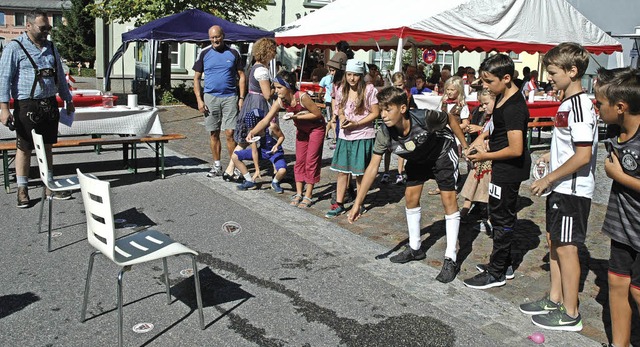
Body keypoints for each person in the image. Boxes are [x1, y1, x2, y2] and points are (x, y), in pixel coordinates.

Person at [347, 86, 468, 283]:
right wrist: (357, 203)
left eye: (388, 109)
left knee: (448, 200)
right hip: (418, 157)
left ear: (403, 108)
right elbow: (372, 168)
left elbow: (450, 119)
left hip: (442, 152)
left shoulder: (424, 117)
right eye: (382, 109)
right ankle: (415, 248)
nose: (383, 115)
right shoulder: (384, 133)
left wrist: (465, 144)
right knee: (411, 198)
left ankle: (451, 258)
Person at [518, 42, 598, 332]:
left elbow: (583, 155)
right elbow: (570, 147)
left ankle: (570, 311)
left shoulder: (578, 106)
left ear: (572, 71)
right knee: (555, 241)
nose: (548, 76)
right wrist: (549, 155)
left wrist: (549, 178)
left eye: (552, 72)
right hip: (561, 189)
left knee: (566, 248)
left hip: (571, 191)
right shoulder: (568, 102)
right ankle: (554, 299)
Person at [463, 53, 531, 289]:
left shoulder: (514, 107)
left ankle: (497, 272)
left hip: (508, 170)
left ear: (506, 78)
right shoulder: (502, 97)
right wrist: (479, 140)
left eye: (489, 81)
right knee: (499, 215)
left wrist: (485, 156)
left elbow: (516, 148)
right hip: (501, 167)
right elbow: (492, 127)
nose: (485, 85)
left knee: (502, 219)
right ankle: (504, 262)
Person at [0, 9, 75, 208]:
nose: (47, 32)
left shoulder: (51, 46)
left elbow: (59, 75)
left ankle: (49, 185)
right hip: (27, 104)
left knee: (48, 146)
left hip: (49, 103)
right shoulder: (14, 48)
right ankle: (22, 189)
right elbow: (4, 80)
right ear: (29, 26)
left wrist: (68, 99)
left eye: (48, 28)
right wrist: (4, 109)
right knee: (24, 148)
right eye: (43, 28)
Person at [595, 66, 640, 347]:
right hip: (622, 228)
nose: (597, 108)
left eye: (601, 103)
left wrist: (619, 177)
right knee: (617, 285)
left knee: (637, 291)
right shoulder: (617, 132)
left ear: (620, 106)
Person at [248, 71, 325, 208]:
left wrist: (297, 117)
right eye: (275, 87)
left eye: (279, 87)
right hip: (302, 130)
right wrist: (252, 132)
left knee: (311, 160)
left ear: (288, 86)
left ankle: (309, 195)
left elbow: (318, 114)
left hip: (316, 129)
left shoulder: (302, 96)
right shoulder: (280, 101)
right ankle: (299, 193)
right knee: (300, 160)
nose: (275, 91)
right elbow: (266, 119)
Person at [325, 60, 380, 218]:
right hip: (345, 135)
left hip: (363, 134)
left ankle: (359, 202)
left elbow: (375, 113)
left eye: (355, 75)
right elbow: (340, 109)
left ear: (361, 76)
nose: (352, 78)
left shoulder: (369, 90)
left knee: (360, 172)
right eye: (349, 74)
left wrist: (356, 122)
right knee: (342, 171)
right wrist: (342, 118)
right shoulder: (342, 89)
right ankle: (339, 203)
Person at [193, 25, 246, 178]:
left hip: (230, 97)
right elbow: (196, 78)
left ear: (223, 36)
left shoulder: (233, 52)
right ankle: (217, 165)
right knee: (213, 133)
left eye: (217, 36)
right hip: (210, 97)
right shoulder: (204, 53)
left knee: (230, 132)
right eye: (212, 37)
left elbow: (242, 76)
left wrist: (241, 97)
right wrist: (199, 100)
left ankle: (234, 166)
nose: (215, 40)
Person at [223, 37, 276, 183]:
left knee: (247, 138)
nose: (275, 54)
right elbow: (266, 94)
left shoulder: (254, 66)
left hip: (251, 101)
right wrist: (277, 89)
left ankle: (229, 169)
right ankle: (275, 169)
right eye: (273, 51)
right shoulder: (262, 71)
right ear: (267, 52)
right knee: (255, 137)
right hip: (258, 104)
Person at [459, 89, 495, 224]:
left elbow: (489, 134)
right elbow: (483, 135)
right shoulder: (487, 117)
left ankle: (486, 214)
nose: (483, 107)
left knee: (484, 186)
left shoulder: (496, 118)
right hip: (481, 158)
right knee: (473, 181)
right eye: (481, 104)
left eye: (485, 104)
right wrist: (469, 148)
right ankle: (467, 207)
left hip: (489, 159)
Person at [232, 109, 287, 193]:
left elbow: (281, 137)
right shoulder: (252, 132)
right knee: (235, 156)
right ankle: (249, 181)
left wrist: (277, 145)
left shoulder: (271, 126)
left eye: (254, 126)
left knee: (282, 170)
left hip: (275, 152)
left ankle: (275, 182)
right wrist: (257, 169)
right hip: (263, 151)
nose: (252, 129)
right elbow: (254, 151)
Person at [380, 72, 409, 185]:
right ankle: (386, 172)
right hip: (390, 124)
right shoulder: (389, 95)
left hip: (400, 123)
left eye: (400, 85)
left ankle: (399, 173)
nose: (398, 87)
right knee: (388, 149)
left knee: (401, 149)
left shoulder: (406, 94)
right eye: (396, 85)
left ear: (404, 83)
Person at [323, 52, 348, 146]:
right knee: (339, 135)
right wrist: (334, 114)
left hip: (346, 113)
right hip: (338, 113)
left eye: (333, 70)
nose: (331, 73)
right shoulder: (335, 82)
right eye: (330, 70)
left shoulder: (347, 82)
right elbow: (334, 97)